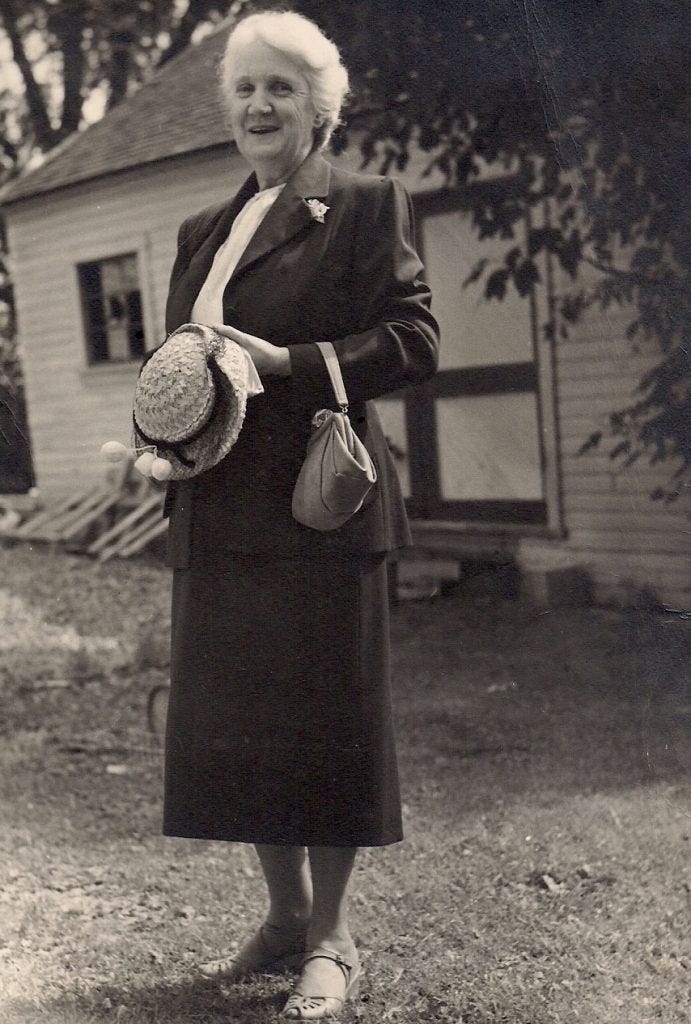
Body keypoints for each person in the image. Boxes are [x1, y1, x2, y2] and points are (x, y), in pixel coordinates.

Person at [160, 9, 439, 1019]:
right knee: (239, 725)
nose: (257, 104)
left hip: (316, 508)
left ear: (318, 109)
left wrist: (295, 366)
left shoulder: (364, 206)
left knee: (325, 719)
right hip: (219, 511)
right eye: (243, 88)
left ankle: (332, 935)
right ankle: (281, 915)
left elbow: (413, 338)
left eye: (279, 86)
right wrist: (163, 434)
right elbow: (189, 367)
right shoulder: (204, 231)